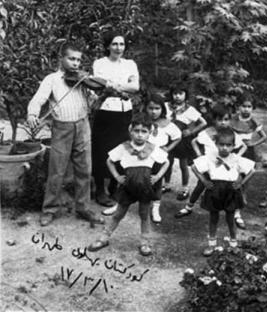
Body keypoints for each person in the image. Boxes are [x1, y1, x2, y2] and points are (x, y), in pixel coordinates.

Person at [27, 42, 104, 227]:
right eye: (71, 59)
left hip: (83, 125)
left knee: (85, 170)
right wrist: (32, 113)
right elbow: (38, 99)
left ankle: (84, 207)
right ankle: (49, 209)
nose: (76, 63)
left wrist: (102, 94)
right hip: (62, 128)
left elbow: (92, 104)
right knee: (56, 171)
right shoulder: (52, 79)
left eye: (78, 60)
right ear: (61, 59)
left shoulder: (83, 80)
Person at [87, 113, 170, 256]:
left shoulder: (152, 148)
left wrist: (157, 177)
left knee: (144, 215)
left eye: (144, 132)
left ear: (149, 133)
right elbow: (109, 161)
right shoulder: (124, 147)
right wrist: (117, 176)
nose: (139, 135)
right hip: (128, 186)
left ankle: (145, 242)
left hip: (145, 186)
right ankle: (104, 238)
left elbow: (166, 162)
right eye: (136, 131)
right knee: (118, 214)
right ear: (130, 131)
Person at [101, 91, 182, 223]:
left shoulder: (167, 124)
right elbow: (131, 133)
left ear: (162, 109)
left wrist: (167, 148)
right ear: (145, 108)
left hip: (156, 157)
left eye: (157, 108)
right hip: (138, 155)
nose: (154, 112)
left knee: (155, 183)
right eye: (151, 108)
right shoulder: (141, 122)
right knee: (129, 180)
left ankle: (155, 207)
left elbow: (178, 137)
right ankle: (120, 204)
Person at [92, 31, 140, 208]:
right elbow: (100, 85)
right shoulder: (100, 63)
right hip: (105, 110)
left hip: (124, 111)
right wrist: (121, 88)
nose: (118, 48)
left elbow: (135, 86)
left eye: (121, 44)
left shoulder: (130, 64)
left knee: (121, 149)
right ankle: (99, 190)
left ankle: (114, 187)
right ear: (108, 46)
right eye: (114, 44)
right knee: (101, 150)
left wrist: (115, 86)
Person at [191, 127, 255, 256]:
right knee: (213, 218)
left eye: (228, 145)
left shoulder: (236, 158)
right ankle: (211, 245)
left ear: (233, 146)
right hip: (214, 190)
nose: (225, 148)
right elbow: (194, 167)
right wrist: (204, 181)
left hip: (230, 191)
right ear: (216, 144)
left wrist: (241, 183)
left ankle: (233, 244)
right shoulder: (210, 157)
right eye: (221, 145)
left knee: (230, 219)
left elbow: (252, 170)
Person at [175, 104, 247, 218]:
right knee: (201, 184)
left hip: (226, 163)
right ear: (214, 120)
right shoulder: (207, 132)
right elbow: (194, 141)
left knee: (233, 187)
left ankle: (237, 213)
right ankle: (188, 207)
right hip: (210, 162)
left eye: (226, 119)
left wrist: (235, 157)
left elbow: (244, 146)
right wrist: (199, 155)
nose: (223, 122)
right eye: (220, 119)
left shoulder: (230, 133)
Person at [162, 84, 207, 200]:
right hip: (169, 138)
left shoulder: (190, 109)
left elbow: (203, 122)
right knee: (168, 161)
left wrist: (191, 131)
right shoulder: (166, 106)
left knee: (183, 164)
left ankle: (185, 188)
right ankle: (166, 184)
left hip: (183, 139)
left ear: (185, 95)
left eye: (180, 94)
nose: (177, 96)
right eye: (175, 94)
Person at [229, 93, 267, 229]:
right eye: (243, 106)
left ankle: (242, 194)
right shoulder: (233, 119)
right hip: (234, 149)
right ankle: (229, 196)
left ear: (252, 108)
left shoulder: (253, 122)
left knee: (246, 175)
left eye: (249, 107)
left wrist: (253, 143)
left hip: (248, 151)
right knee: (232, 172)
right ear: (238, 107)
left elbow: (264, 136)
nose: (246, 109)